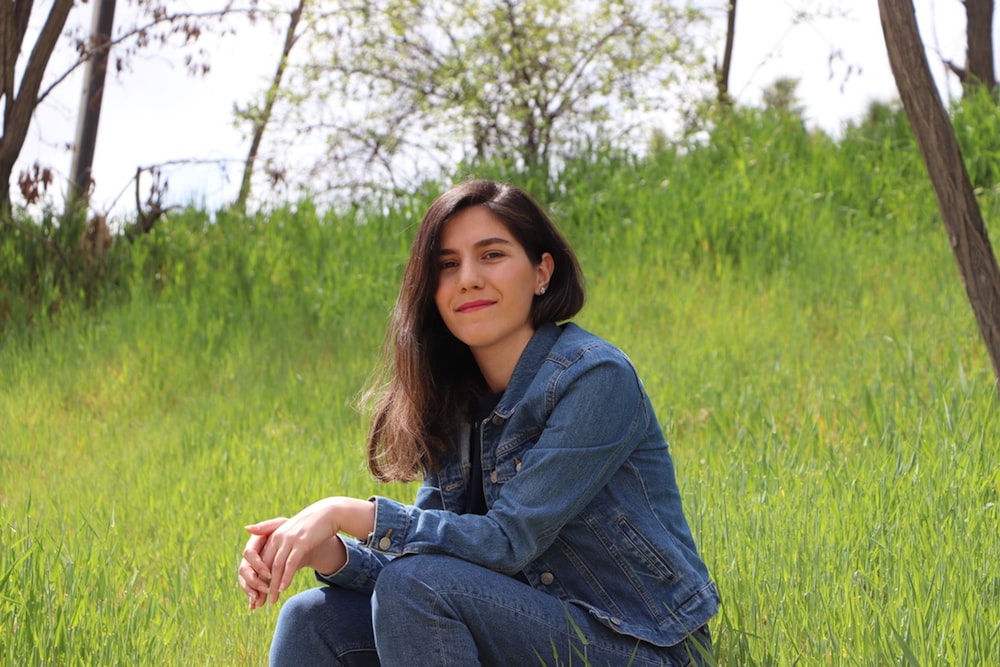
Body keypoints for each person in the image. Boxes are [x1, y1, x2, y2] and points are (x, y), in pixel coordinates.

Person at [238, 179, 719, 666]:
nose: (467, 278)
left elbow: (508, 541)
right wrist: (325, 551)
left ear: (541, 272)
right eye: (448, 265)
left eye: (491, 255)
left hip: (644, 648)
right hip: (523, 628)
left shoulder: (595, 378)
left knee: (417, 587)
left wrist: (349, 512)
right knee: (311, 617)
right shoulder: (457, 399)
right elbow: (427, 557)